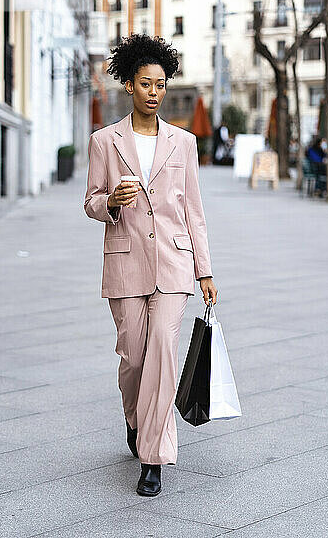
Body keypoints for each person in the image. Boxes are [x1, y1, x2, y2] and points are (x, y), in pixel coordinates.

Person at [84, 34, 218, 497]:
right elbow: (90, 202)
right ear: (129, 86)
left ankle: (154, 456)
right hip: (124, 264)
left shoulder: (183, 143)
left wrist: (204, 269)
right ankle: (134, 418)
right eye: (146, 84)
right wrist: (111, 204)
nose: (155, 92)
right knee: (133, 359)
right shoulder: (104, 141)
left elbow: (194, 209)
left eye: (161, 84)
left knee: (162, 348)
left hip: (174, 264)